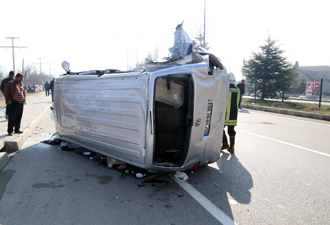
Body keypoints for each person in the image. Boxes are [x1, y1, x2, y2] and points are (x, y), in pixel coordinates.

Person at [221, 72, 240, 153]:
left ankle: (225, 143)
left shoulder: (224, 89)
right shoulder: (237, 90)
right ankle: (232, 147)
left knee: (220, 128)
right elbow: (238, 103)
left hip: (224, 113)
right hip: (233, 113)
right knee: (231, 130)